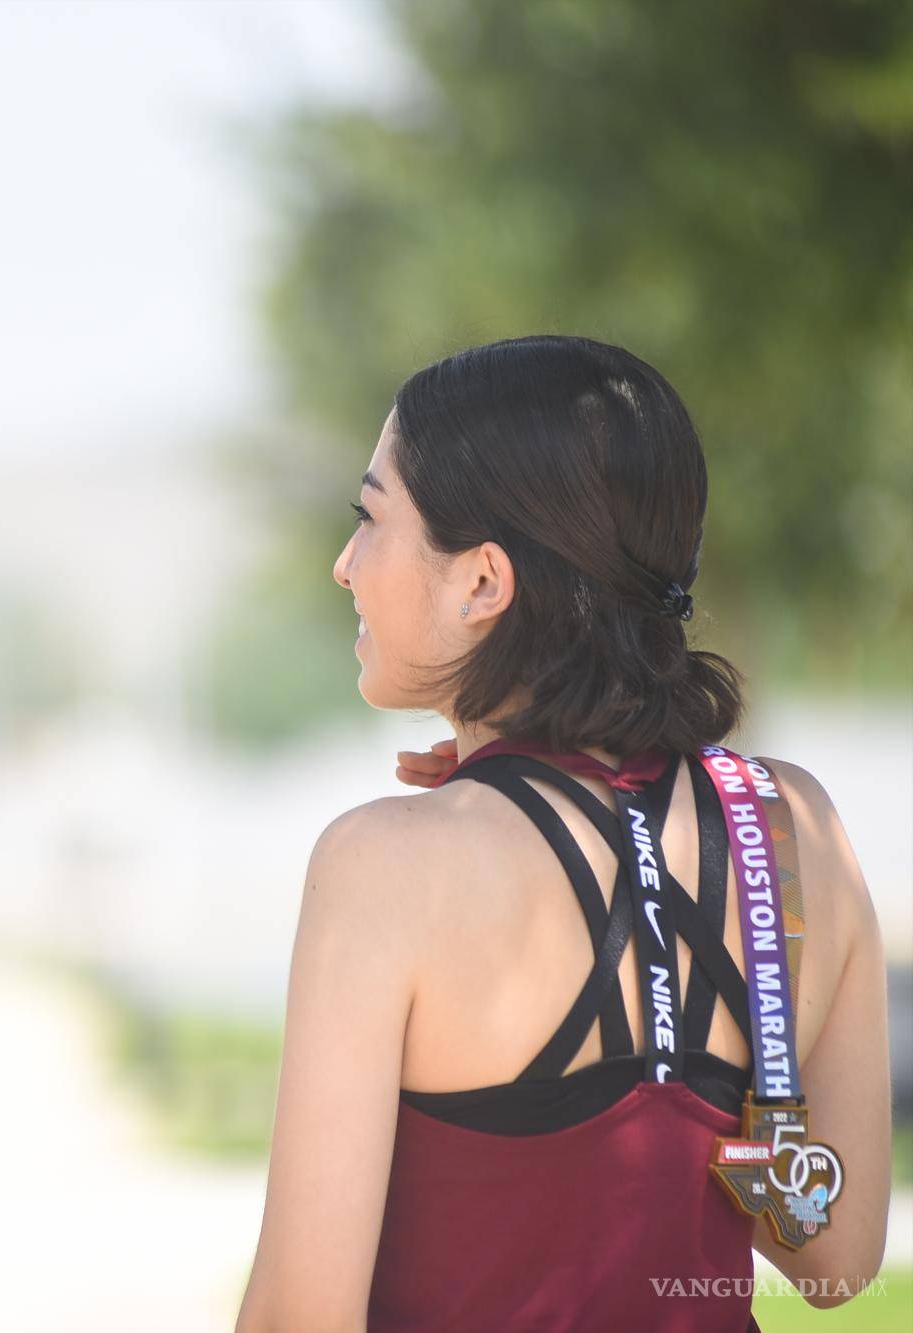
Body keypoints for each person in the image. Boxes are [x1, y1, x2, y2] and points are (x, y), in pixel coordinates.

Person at [233, 336, 889, 1332]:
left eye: (368, 519)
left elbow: (297, 1317)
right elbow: (832, 1258)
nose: (343, 564)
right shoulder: (786, 825)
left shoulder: (383, 867)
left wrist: (490, 815)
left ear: (483, 585)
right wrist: (694, 1093)